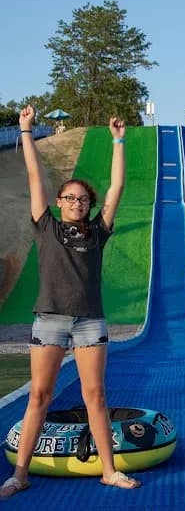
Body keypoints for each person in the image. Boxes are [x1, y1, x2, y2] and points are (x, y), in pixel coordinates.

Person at [0, 106, 141, 498]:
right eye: (70, 197)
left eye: (83, 199)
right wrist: (25, 130)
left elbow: (117, 188)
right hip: (49, 321)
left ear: (89, 205)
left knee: (95, 396)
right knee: (39, 396)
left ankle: (109, 471)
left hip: (89, 323)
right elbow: (33, 176)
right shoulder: (45, 225)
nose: (77, 203)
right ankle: (19, 475)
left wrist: (118, 141)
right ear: (59, 201)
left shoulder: (98, 231)